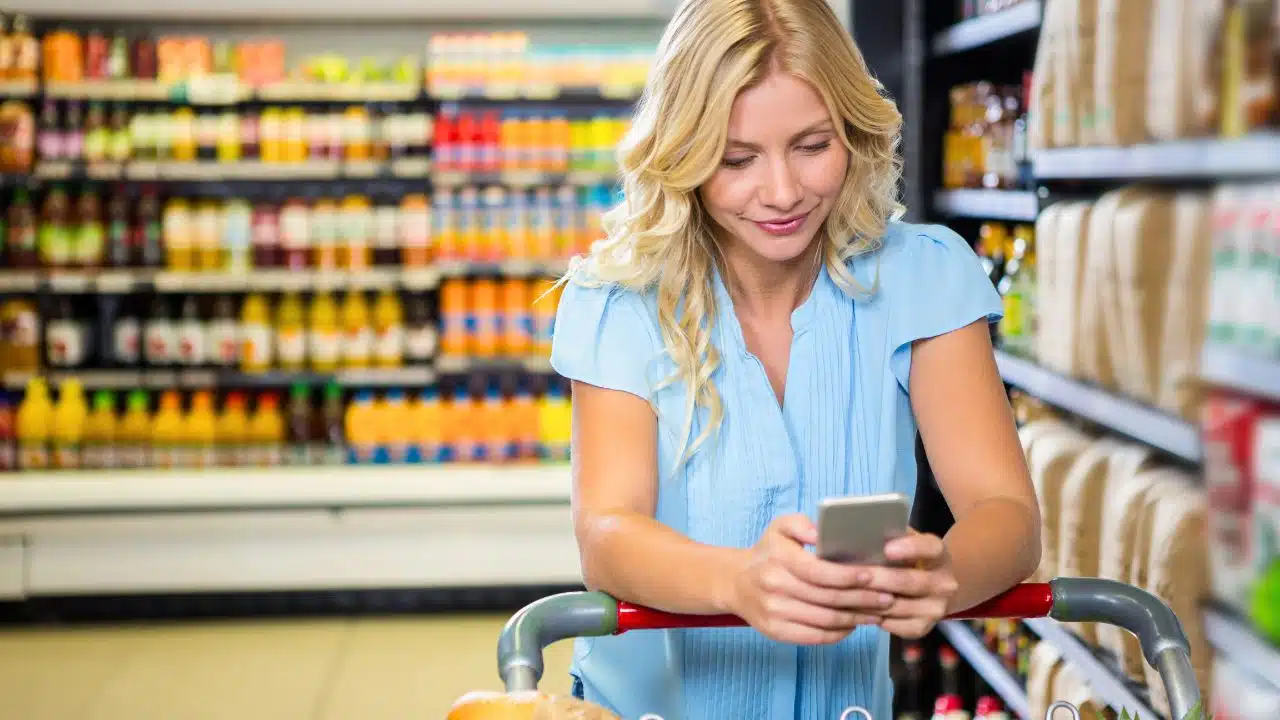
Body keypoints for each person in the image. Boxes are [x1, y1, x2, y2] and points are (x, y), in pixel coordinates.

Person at [548, 0, 1042, 717]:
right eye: (737, 159)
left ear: (854, 129)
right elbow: (607, 534)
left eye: (813, 145)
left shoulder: (921, 278)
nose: (782, 192)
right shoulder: (619, 299)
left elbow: (1008, 514)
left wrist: (947, 573)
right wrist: (737, 581)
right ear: (682, 154)